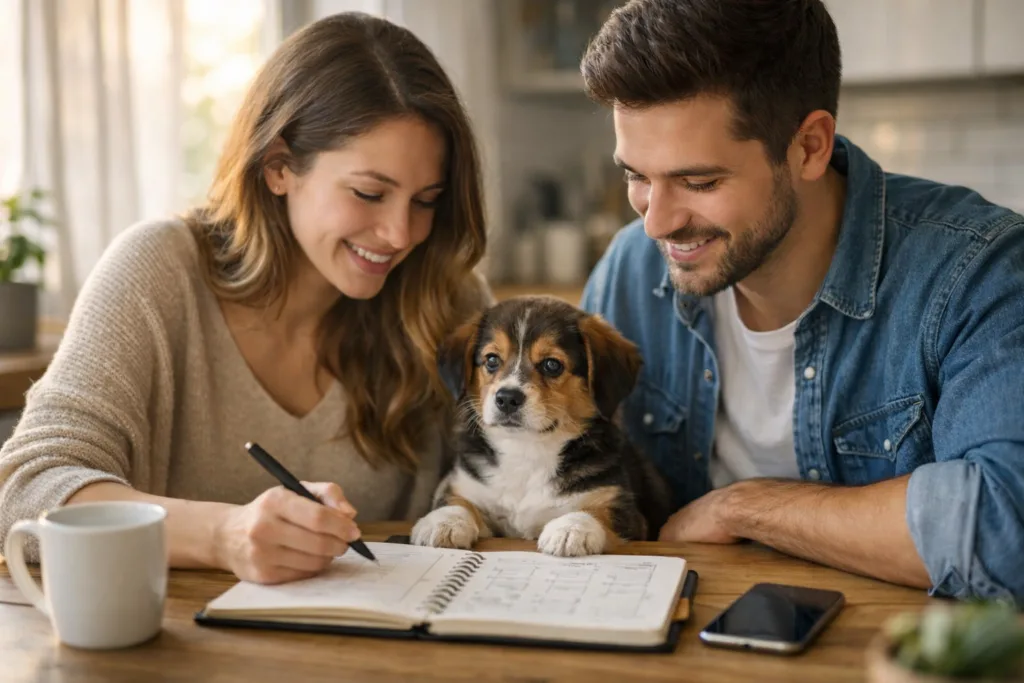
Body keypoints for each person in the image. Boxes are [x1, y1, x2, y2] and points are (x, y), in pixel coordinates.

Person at [0, 12, 491, 585]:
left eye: (426, 200)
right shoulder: (159, 270)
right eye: (369, 193)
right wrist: (223, 535)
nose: (401, 234)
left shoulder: (448, 302)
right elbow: (24, 490)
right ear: (278, 166)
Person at [579, 0, 1024, 603]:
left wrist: (744, 508)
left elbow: (1006, 527)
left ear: (810, 146)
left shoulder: (978, 271)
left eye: (699, 182)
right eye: (635, 175)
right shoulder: (631, 271)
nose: (657, 223)